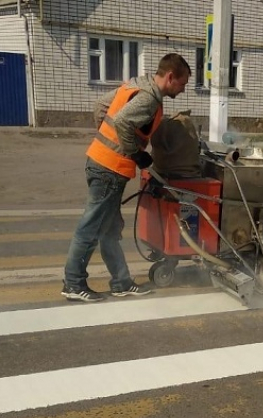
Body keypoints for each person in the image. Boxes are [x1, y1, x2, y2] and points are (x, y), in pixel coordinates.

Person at [62, 53, 191, 302]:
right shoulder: (149, 99)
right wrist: (132, 152)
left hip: (103, 162)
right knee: (89, 228)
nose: (183, 90)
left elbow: (101, 105)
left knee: (109, 231)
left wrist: (105, 141)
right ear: (171, 77)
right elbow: (121, 121)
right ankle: (73, 283)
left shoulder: (135, 84)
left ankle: (121, 282)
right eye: (182, 84)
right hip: (109, 168)